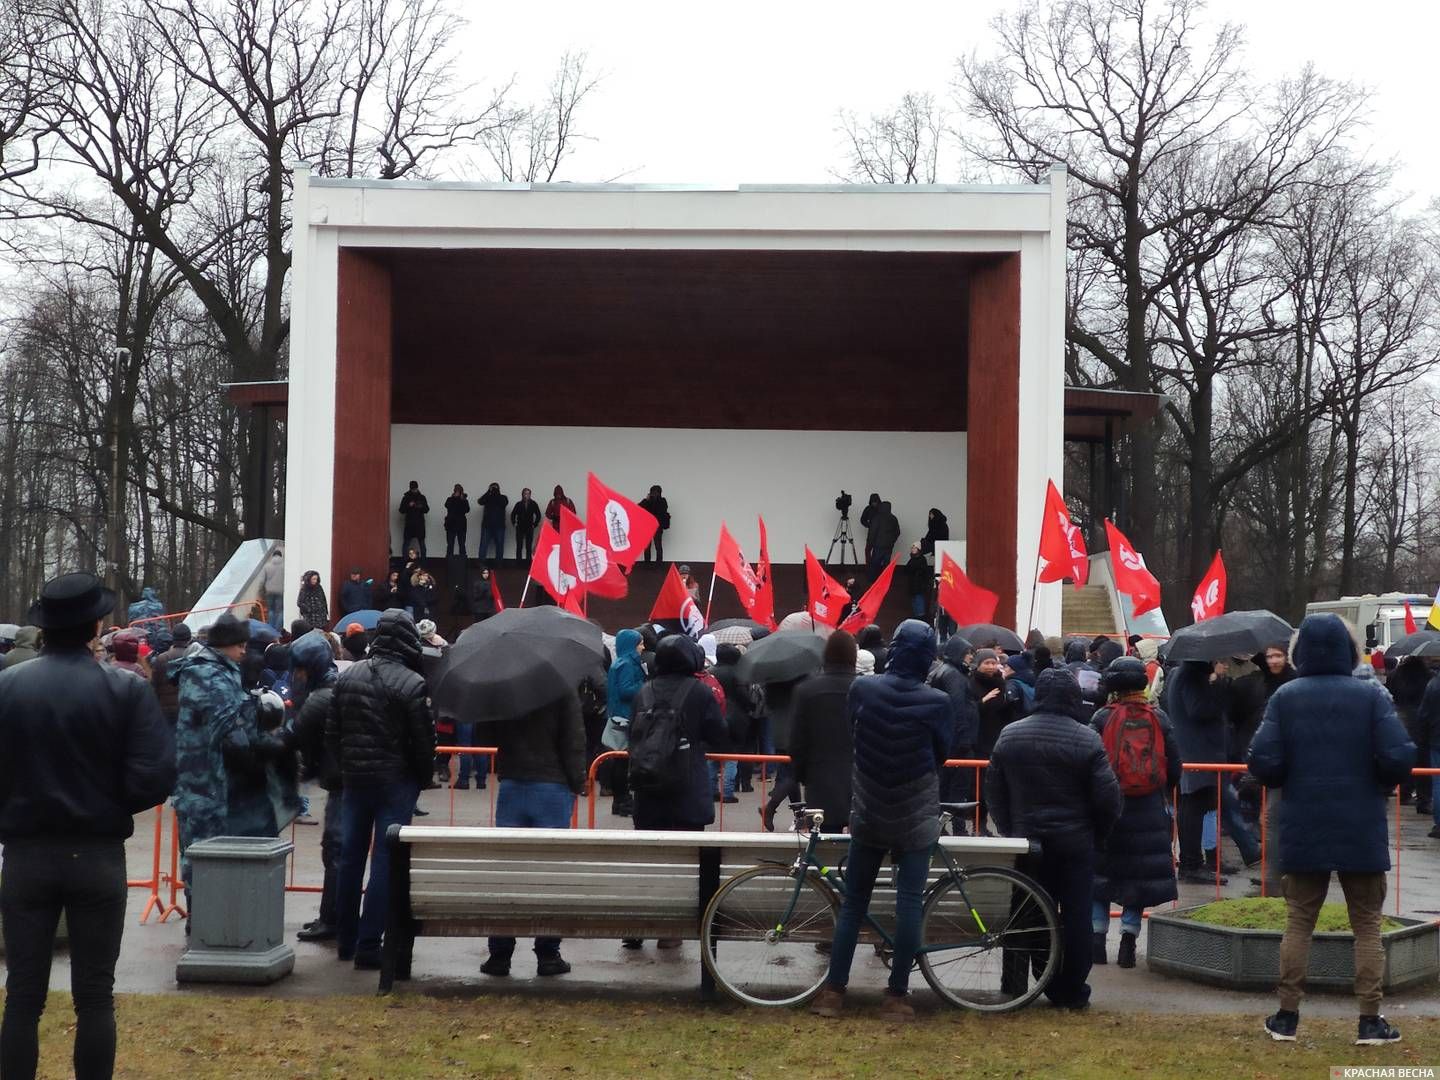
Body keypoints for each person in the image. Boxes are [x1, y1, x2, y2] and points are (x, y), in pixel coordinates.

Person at [0, 573, 175, 1080]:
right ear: (96, 626)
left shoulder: (8, 687)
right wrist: (104, 804)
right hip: (96, 853)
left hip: (28, 852)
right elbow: (154, 776)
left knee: (23, 995)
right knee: (95, 996)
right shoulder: (124, 690)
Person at [1247, 614, 1414, 1045]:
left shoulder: (1285, 697)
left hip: (1304, 820)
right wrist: (1376, 782)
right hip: (1361, 823)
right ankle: (1369, 1020)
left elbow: (1262, 761)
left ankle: (1286, 1016)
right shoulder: (1371, 697)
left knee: (1299, 921)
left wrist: (1290, 777)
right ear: (1350, 650)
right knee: (1368, 925)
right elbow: (1399, 755)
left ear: (1300, 652)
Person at [810, 620, 951, 1023]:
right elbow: (940, 753)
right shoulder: (937, 701)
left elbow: (855, 734)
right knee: (909, 903)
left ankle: (834, 990)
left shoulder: (863, 689)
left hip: (870, 807)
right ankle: (897, 994)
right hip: (916, 810)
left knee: (853, 903)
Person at [987, 668, 1123, 1010]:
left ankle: (1022, 982)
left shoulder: (1010, 735)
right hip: (1075, 842)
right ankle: (1071, 989)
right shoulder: (1087, 738)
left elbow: (995, 791)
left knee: (1025, 911)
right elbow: (1108, 798)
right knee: (1076, 916)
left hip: (1026, 841)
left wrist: (1008, 828)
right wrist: (1099, 834)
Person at [327, 609, 434, 970]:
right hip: (395, 782)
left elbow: (333, 732)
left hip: (355, 780)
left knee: (350, 858)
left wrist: (341, 770)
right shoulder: (412, 683)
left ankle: (346, 940)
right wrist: (420, 779)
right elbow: (423, 743)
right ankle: (370, 944)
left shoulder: (347, 677)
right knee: (385, 863)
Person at [478, 685, 587, 977]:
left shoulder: (507, 689)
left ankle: (500, 953)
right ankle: (548, 952)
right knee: (551, 872)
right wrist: (579, 782)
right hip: (552, 787)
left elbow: (486, 734)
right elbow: (573, 741)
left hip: (513, 784)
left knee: (507, 871)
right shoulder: (562, 690)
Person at [1091, 657, 1182, 968]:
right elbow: (1175, 764)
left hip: (1109, 809)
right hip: (1148, 809)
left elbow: (1092, 764)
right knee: (1139, 880)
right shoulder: (1159, 718)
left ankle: (1097, 941)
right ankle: (1128, 944)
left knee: (1101, 878)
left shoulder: (1102, 718)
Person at [1167, 659, 1260, 883]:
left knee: (1201, 806)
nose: (1224, 663)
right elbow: (1198, 709)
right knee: (1194, 807)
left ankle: (1197, 863)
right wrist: (1219, 686)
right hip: (1197, 753)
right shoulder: (1191, 675)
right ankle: (1192, 864)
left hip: (1200, 752)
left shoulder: (1189, 674)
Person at [289, 630, 343, 943]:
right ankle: (333, 916)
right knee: (337, 851)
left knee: (335, 851)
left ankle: (332, 919)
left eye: (301, 669)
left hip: (341, 783)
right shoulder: (336, 686)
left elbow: (295, 735)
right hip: (345, 781)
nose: (297, 675)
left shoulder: (321, 697)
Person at [789, 631, 859, 829]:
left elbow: (796, 742)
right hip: (861, 779)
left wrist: (803, 774)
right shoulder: (866, 688)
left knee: (821, 843)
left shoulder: (807, 690)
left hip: (820, 778)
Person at [926, 634, 979, 832]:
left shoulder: (946, 672)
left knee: (947, 788)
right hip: (959, 745)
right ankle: (957, 828)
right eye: (967, 653)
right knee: (957, 789)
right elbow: (958, 708)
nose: (970, 657)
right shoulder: (954, 675)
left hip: (951, 742)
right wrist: (963, 740)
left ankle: (943, 827)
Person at [601, 628, 646, 818]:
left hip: (619, 715)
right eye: (640, 643)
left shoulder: (619, 663)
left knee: (619, 761)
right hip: (625, 717)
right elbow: (627, 690)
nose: (643, 647)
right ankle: (623, 800)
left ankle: (620, 801)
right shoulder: (628, 664)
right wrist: (646, 687)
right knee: (622, 762)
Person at [150, 622, 193, 724]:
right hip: (190, 707)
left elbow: (155, 684)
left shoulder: (161, 659)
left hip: (167, 710)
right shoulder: (195, 656)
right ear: (189, 637)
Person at [477, 482, 509, 563]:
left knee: (499, 545)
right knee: (483, 545)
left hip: (499, 526)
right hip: (487, 526)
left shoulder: (503, 497)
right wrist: (488, 492)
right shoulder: (488, 497)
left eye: (495, 488)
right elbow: (480, 501)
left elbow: (504, 503)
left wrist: (495, 492)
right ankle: (481, 563)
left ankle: (499, 563)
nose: (494, 489)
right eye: (492, 488)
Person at [869, 500, 900, 579]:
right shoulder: (894, 518)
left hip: (878, 546)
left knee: (875, 564)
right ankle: (884, 581)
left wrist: (870, 543)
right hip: (889, 546)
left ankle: (872, 580)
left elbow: (872, 532)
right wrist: (892, 541)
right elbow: (898, 532)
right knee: (886, 565)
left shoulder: (877, 518)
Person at [398, 481, 430, 558]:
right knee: (406, 543)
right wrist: (409, 505)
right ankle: (405, 563)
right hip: (410, 524)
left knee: (422, 544)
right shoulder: (406, 498)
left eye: (415, 489)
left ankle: (423, 563)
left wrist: (421, 506)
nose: (414, 490)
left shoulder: (422, 497)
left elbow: (427, 509)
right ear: (410, 488)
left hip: (419, 524)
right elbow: (401, 510)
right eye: (413, 489)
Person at [639, 485, 670, 562]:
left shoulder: (662, 501)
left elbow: (662, 511)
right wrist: (646, 499)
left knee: (658, 545)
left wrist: (654, 501)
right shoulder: (647, 501)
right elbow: (639, 507)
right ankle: (647, 563)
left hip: (657, 527)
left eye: (656, 492)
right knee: (647, 546)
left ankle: (659, 563)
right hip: (647, 526)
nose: (654, 494)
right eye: (653, 492)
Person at [511, 487, 542, 562]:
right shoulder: (518, 504)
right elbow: (513, 514)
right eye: (525, 494)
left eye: (528, 494)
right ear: (522, 495)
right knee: (519, 545)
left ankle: (528, 563)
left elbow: (538, 515)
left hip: (529, 527)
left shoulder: (533, 504)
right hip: (520, 527)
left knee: (528, 546)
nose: (526, 495)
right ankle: (518, 563)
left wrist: (535, 524)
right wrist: (514, 523)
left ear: (530, 495)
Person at [260, 547, 285, 630]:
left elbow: (262, 580)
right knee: (280, 611)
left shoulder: (267, 566)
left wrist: (261, 591)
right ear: (281, 556)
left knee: (271, 610)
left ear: (273, 556)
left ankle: (271, 628)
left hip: (269, 591)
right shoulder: (285, 566)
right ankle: (278, 629)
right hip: (281, 591)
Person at [904, 543, 930, 619]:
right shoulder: (912, 559)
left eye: (914, 548)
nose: (912, 549)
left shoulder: (921, 559)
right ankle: (917, 616)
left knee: (919, 600)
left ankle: (920, 616)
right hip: (913, 584)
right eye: (912, 548)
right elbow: (906, 570)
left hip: (919, 585)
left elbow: (922, 571)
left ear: (918, 549)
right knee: (914, 601)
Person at [443, 484, 470, 558]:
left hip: (461, 525)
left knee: (462, 544)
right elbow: (447, 505)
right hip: (451, 524)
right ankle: (449, 562)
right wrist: (454, 498)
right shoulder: (450, 499)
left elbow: (467, 509)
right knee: (450, 545)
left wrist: (462, 500)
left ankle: (463, 563)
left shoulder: (464, 500)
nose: (457, 493)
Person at [860, 493, 882, 567]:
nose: (874, 503)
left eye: (875, 501)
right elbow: (862, 520)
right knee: (867, 551)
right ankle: (869, 567)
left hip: (880, 535)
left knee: (877, 552)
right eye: (873, 502)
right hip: (871, 534)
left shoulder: (882, 509)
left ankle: (875, 568)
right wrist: (869, 525)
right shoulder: (868, 509)